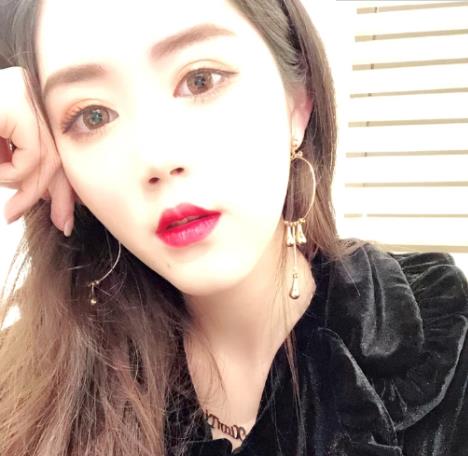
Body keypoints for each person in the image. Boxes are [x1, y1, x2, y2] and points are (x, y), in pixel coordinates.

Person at [0, 1, 466, 455]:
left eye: (200, 80)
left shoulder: (440, 340)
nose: (157, 158)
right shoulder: (30, 379)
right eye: (92, 116)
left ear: (297, 103)